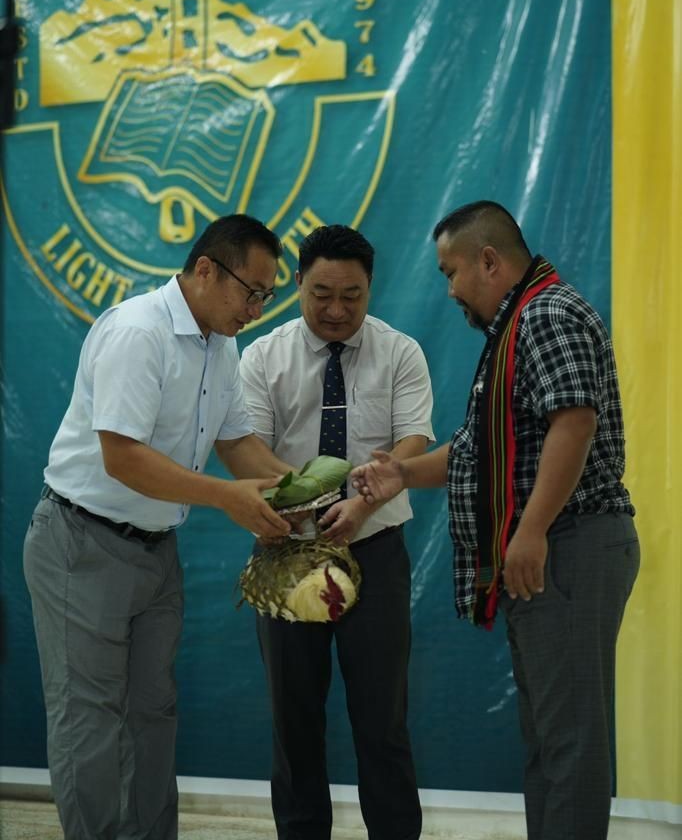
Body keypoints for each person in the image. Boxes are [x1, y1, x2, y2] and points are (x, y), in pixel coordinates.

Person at [352, 201, 639, 840]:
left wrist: (531, 529)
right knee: (549, 736)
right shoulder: (516, 329)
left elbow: (574, 421)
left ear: (489, 260)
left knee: (568, 740)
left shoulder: (546, 315)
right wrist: (402, 473)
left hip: (570, 542)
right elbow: (481, 446)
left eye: (452, 271)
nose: (450, 288)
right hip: (557, 545)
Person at [23, 214, 294, 840]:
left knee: (153, 713)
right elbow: (123, 457)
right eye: (251, 291)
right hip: (81, 543)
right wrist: (228, 498)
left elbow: (239, 445)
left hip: (154, 550)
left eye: (267, 294)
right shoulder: (137, 331)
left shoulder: (221, 346)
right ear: (205, 269)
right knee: (88, 719)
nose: (257, 307)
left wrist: (304, 492)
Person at [239, 224, 434, 840]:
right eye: (322, 293)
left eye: (352, 295)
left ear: (371, 287)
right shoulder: (262, 356)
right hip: (286, 554)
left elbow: (413, 442)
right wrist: (303, 503)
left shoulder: (400, 352)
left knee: (383, 720)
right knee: (293, 721)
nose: (337, 309)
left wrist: (361, 505)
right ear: (296, 282)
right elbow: (248, 452)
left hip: (374, 549)